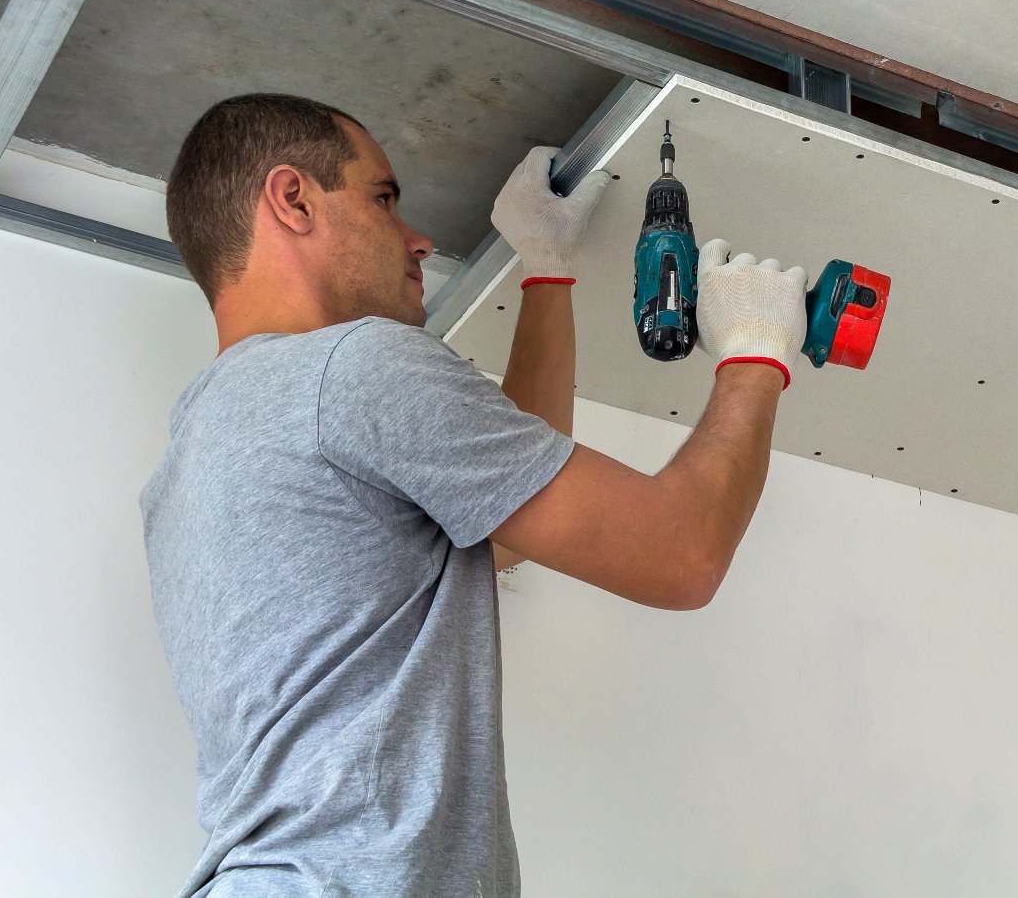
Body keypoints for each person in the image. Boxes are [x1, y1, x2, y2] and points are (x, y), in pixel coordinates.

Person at [140, 92, 805, 896]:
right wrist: (756, 353)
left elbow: (504, 521)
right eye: (383, 198)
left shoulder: (196, 455)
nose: (418, 237)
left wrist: (547, 272)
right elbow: (681, 552)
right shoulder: (353, 366)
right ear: (293, 198)